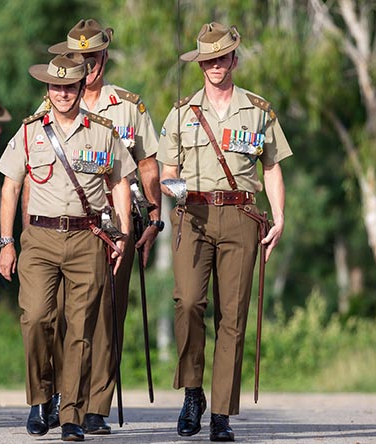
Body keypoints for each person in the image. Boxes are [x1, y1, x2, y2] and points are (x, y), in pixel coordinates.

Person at [157, 22, 292, 442]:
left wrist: (280, 217)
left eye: (222, 58)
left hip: (241, 216)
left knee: (232, 318)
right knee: (189, 303)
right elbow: (166, 173)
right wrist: (177, 192)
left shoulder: (258, 110)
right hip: (193, 214)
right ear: (200, 65)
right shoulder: (181, 112)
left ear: (234, 59)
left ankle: (221, 413)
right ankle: (193, 391)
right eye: (208, 60)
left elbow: (271, 167)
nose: (216, 66)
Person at [0, 51, 134, 442]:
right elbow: (11, 187)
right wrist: (7, 242)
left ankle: (71, 412)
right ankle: (42, 397)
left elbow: (120, 182)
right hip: (38, 239)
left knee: (81, 329)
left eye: (69, 86)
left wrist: (120, 233)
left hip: (87, 238)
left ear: (79, 86)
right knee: (37, 317)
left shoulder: (103, 132)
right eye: (55, 86)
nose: (62, 93)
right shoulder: (29, 131)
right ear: (48, 88)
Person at [40, 18, 162, 435]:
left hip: (115, 221)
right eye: (80, 56)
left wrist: (156, 216)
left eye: (94, 56)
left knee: (107, 316)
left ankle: (95, 406)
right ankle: (61, 394)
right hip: (64, 224)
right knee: (58, 315)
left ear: (105, 56)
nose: (87, 64)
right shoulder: (50, 103)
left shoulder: (128, 105)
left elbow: (147, 164)